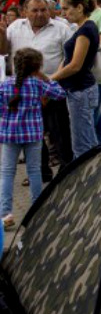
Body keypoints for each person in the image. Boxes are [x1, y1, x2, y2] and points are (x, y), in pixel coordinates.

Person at [0, 0, 74, 181]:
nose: (40, 14)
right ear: (25, 11)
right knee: (34, 136)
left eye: (43, 10)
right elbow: (3, 52)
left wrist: (49, 83)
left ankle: (66, 171)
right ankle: (41, 171)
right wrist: (1, 34)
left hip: (52, 89)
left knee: (60, 133)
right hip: (25, 92)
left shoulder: (61, 29)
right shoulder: (15, 27)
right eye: (35, 10)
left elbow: (69, 58)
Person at [0, 48, 65, 228]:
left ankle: (5, 214)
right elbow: (60, 93)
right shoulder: (38, 84)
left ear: (15, 64)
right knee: (34, 171)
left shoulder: (5, 85)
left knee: (6, 173)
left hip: (9, 134)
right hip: (33, 133)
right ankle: (36, 211)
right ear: (37, 67)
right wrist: (45, 77)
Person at [50, 0, 100, 158]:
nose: (63, 13)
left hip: (80, 90)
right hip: (81, 89)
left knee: (82, 145)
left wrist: (51, 79)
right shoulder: (84, 27)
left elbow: (75, 65)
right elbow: (68, 60)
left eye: (66, 9)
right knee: (88, 139)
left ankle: (88, 181)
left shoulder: (85, 30)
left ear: (79, 7)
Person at [70, 0, 101, 145]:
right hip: (90, 76)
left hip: (98, 77)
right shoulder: (88, 16)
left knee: (90, 126)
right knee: (97, 125)